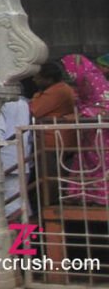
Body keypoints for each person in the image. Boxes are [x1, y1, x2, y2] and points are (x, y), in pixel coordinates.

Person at [60, 54, 109, 204]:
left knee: (101, 162)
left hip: (101, 132)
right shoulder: (83, 80)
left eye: (69, 69)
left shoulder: (91, 78)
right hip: (91, 133)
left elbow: (104, 103)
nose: (68, 73)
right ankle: (88, 195)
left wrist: (81, 114)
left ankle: (100, 196)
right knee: (91, 162)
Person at [0, 96, 32, 218]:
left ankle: (16, 236)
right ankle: (23, 235)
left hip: (5, 155)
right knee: (19, 200)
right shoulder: (23, 103)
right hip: (21, 153)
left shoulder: (0, 103)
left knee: (10, 203)